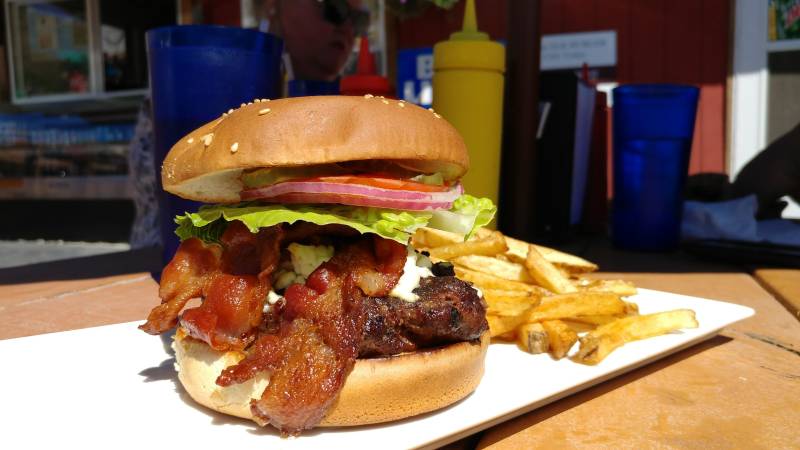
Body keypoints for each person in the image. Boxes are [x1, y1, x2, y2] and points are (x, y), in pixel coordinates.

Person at [129, 0, 368, 249]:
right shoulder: (213, 68)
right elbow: (164, 195)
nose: (348, 28)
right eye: (335, 9)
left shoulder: (360, 103)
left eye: (360, 20)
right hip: (156, 256)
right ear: (273, 5)